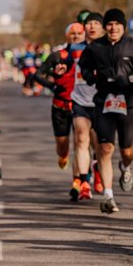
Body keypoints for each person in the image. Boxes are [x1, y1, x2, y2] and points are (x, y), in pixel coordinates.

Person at [78, 8, 133, 215]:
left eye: (117, 24)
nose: (113, 28)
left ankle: (125, 166)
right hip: (103, 102)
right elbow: (83, 65)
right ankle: (108, 196)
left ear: (123, 26)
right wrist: (91, 78)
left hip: (127, 102)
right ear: (106, 27)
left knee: (126, 151)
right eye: (110, 24)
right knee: (105, 148)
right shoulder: (96, 47)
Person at [34, 22, 87, 172]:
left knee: (81, 144)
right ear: (67, 36)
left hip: (82, 106)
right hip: (60, 106)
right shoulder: (57, 56)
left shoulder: (90, 54)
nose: (76, 36)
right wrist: (53, 86)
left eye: (79, 33)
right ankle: (63, 155)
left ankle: (81, 177)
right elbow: (38, 74)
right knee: (62, 146)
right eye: (73, 33)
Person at [69, 11, 107, 202]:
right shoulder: (75, 48)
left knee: (100, 146)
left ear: (102, 27)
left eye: (96, 23)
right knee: (81, 140)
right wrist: (58, 69)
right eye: (89, 23)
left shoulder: (108, 47)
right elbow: (62, 62)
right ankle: (83, 182)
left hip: (101, 102)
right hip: (80, 101)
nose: (92, 26)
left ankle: (97, 169)